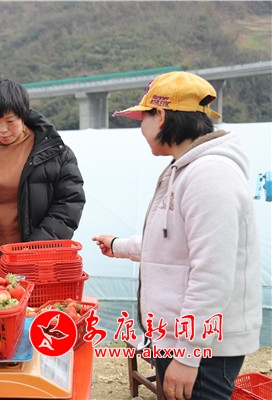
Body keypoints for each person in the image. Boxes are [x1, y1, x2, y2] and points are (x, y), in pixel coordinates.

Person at [92, 71, 261, 400]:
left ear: (161, 116)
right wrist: (118, 246)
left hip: (204, 347)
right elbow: (172, 245)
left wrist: (188, 354)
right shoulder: (184, 168)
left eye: (142, 118)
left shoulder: (209, 175)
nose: (141, 129)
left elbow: (212, 272)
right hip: (179, 338)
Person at [0, 77, 85, 260]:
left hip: (36, 260)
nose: (2, 130)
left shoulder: (55, 153)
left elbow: (70, 203)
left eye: (10, 121)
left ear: (23, 115)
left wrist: (35, 248)